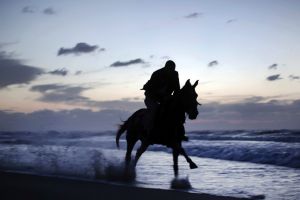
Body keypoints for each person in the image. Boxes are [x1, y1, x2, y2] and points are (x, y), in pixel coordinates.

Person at [141, 60, 188, 142]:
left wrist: (178, 98)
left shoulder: (175, 74)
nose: (171, 72)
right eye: (170, 70)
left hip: (166, 98)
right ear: (165, 68)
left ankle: (180, 133)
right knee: (155, 110)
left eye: (173, 70)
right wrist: (162, 96)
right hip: (152, 97)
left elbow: (177, 89)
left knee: (177, 109)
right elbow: (151, 90)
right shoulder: (157, 74)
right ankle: (148, 132)